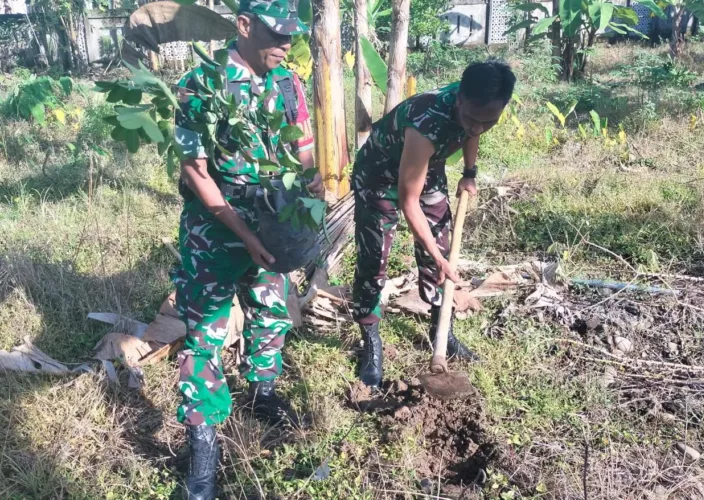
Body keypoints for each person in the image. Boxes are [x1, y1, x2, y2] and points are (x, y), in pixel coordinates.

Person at [170, 0, 321, 498]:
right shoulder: (202, 84)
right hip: (213, 230)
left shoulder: (288, 82)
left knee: (270, 311)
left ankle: (262, 391)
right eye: (276, 35)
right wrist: (244, 234)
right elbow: (196, 172)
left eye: (290, 36)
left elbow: (302, 152)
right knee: (204, 335)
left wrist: (306, 192)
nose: (285, 45)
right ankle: (204, 445)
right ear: (243, 25)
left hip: (270, 224)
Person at [351, 60, 517, 388]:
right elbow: (408, 201)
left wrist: (469, 173)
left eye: (490, 121)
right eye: (472, 117)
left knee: (440, 247)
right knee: (375, 259)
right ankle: (370, 340)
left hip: (427, 169)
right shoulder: (425, 125)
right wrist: (436, 256)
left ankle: (441, 330)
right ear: (459, 101)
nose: (479, 127)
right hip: (379, 175)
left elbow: (471, 131)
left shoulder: (475, 106)